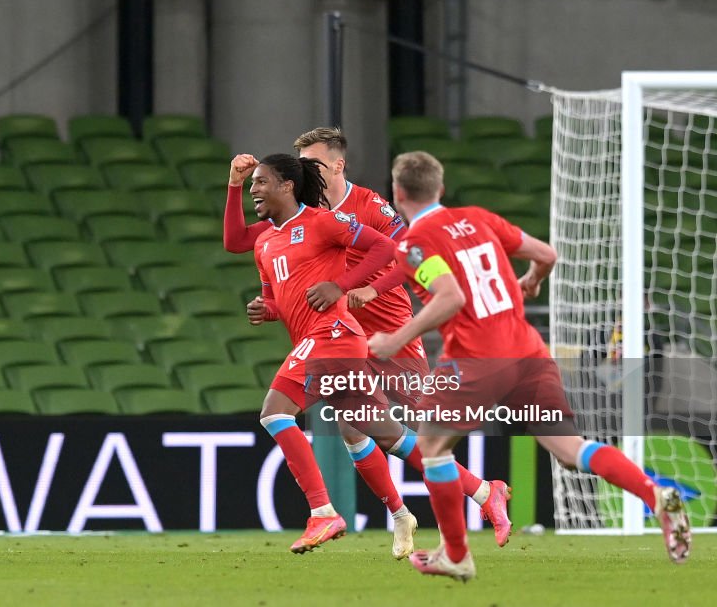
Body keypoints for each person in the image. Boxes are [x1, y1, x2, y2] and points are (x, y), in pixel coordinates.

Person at [367, 151, 691, 581]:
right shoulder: (479, 218)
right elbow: (546, 253)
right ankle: (654, 494)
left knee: (431, 449)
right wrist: (532, 279)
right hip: (527, 351)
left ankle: (457, 554)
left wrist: (395, 339)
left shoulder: (414, 243)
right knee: (570, 449)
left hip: (478, 357)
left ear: (398, 192)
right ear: (441, 189)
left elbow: (451, 297)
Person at [224, 128, 512, 556]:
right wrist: (273, 307)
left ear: (337, 165)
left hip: (386, 332)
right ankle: (416, 510)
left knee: (422, 424)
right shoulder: (280, 226)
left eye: (315, 161)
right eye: (303, 161)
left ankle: (333, 512)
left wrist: (356, 288)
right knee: (366, 431)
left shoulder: (363, 208)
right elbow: (240, 244)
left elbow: (402, 254)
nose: (309, 168)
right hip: (341, 332)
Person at [233, 152, 402, 554]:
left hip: (334, 333)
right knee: (386, 436)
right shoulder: (267, 242)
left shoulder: (323, 221)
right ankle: (482, 490)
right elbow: (276, 298)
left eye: (260, 182)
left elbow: (385, 249)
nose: (253, 190)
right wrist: (266, 309)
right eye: (251, 183)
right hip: (318, 336)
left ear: (287, 185)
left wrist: (341, 285)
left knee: (275, 412)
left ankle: (323, 512)